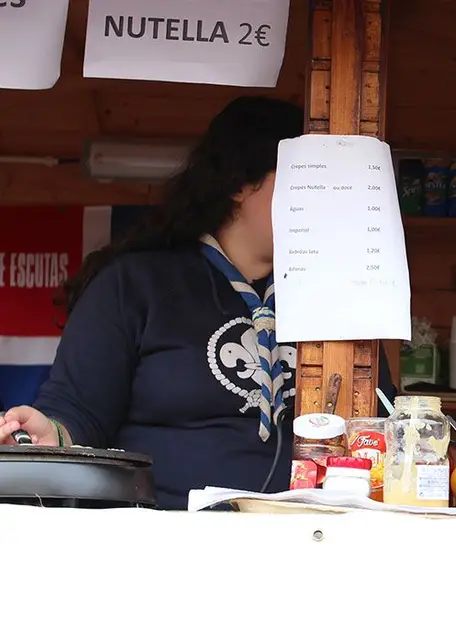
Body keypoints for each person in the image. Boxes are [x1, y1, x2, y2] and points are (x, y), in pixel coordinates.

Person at [0, 96, 396, 509]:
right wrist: (52, 434)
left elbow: (382, 420)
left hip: (314, 538)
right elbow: (78, 412)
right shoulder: (135, 284)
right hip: (164, 540)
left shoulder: (342, 294)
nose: (319, 201)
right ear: (240, 183)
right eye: (304, 181)